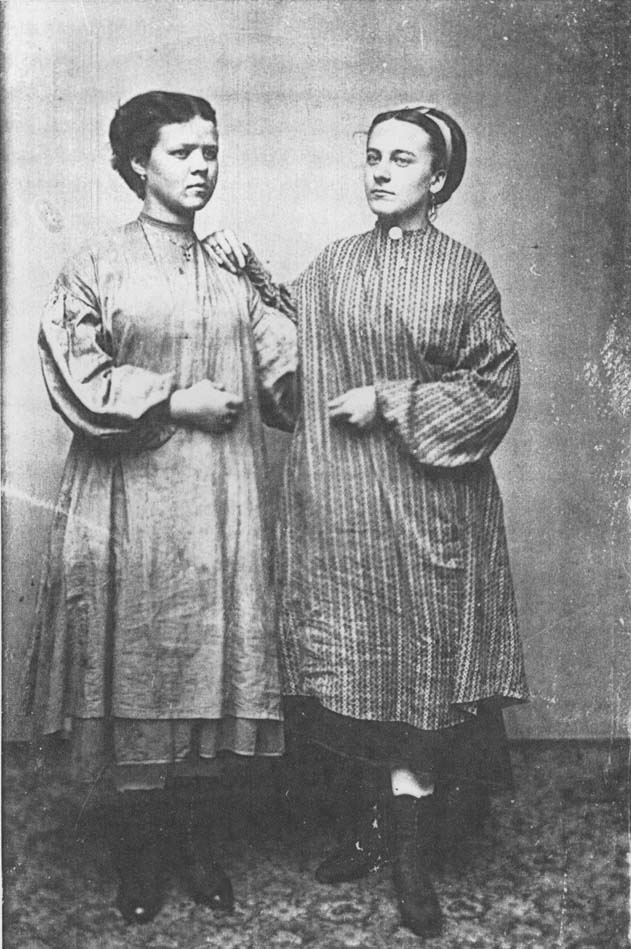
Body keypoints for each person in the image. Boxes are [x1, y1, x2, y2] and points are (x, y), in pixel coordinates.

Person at [213, 103, 528, 939]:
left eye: (401, 159)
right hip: (344, 511)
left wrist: (392, 398)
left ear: (438, 178)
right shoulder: (333, 263)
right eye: (372, 156)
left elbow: (491, 390)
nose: (381, 171)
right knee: (357, 674)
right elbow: (297, 345)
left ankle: (413, 862)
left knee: (416, 682)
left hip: (428, 511)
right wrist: (250, 281)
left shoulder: (463, 274)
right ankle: (367, 829)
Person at [23, 90, 297, 925]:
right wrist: (173, 401)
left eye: (211, 151)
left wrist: (257, 277)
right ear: (140, 162)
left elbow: (288, 372)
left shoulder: (228, 264)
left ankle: (195, 843)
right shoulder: (97, 263)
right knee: (141, 656)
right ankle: (139, 859)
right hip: (132, 498)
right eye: (184, 152)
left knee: (209, 660)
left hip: (222, 499)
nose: (203, 167)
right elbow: (73, 367)